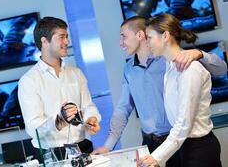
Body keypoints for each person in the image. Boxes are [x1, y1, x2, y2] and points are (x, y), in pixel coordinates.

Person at [92, 16, 226, 167]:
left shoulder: (179, 62)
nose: (120, 43)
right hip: (154, 142)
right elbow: (123, 108)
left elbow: (184, 121)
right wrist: (108, 145)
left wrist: (200, 53)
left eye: (123, 36)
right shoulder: (134, 69)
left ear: (141, 36)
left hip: (178, 140)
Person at [140, 13, 222, 167]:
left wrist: (157, 156)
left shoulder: (189, 69)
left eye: (149, 37)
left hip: (200, 149)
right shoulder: (170, 66)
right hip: (183, 146)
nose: (147, 43)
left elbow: (184, 122)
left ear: (165, 36)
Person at [18, 17, 101, 163]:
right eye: (61, 37)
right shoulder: (28, 81)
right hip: (50, 154)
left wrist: (91, 119)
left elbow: (88, 106)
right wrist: (59, 122)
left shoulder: (76, 73)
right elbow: (32, 128)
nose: (67, 42)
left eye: (67, 37)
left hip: (82, 147)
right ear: (44, 41)